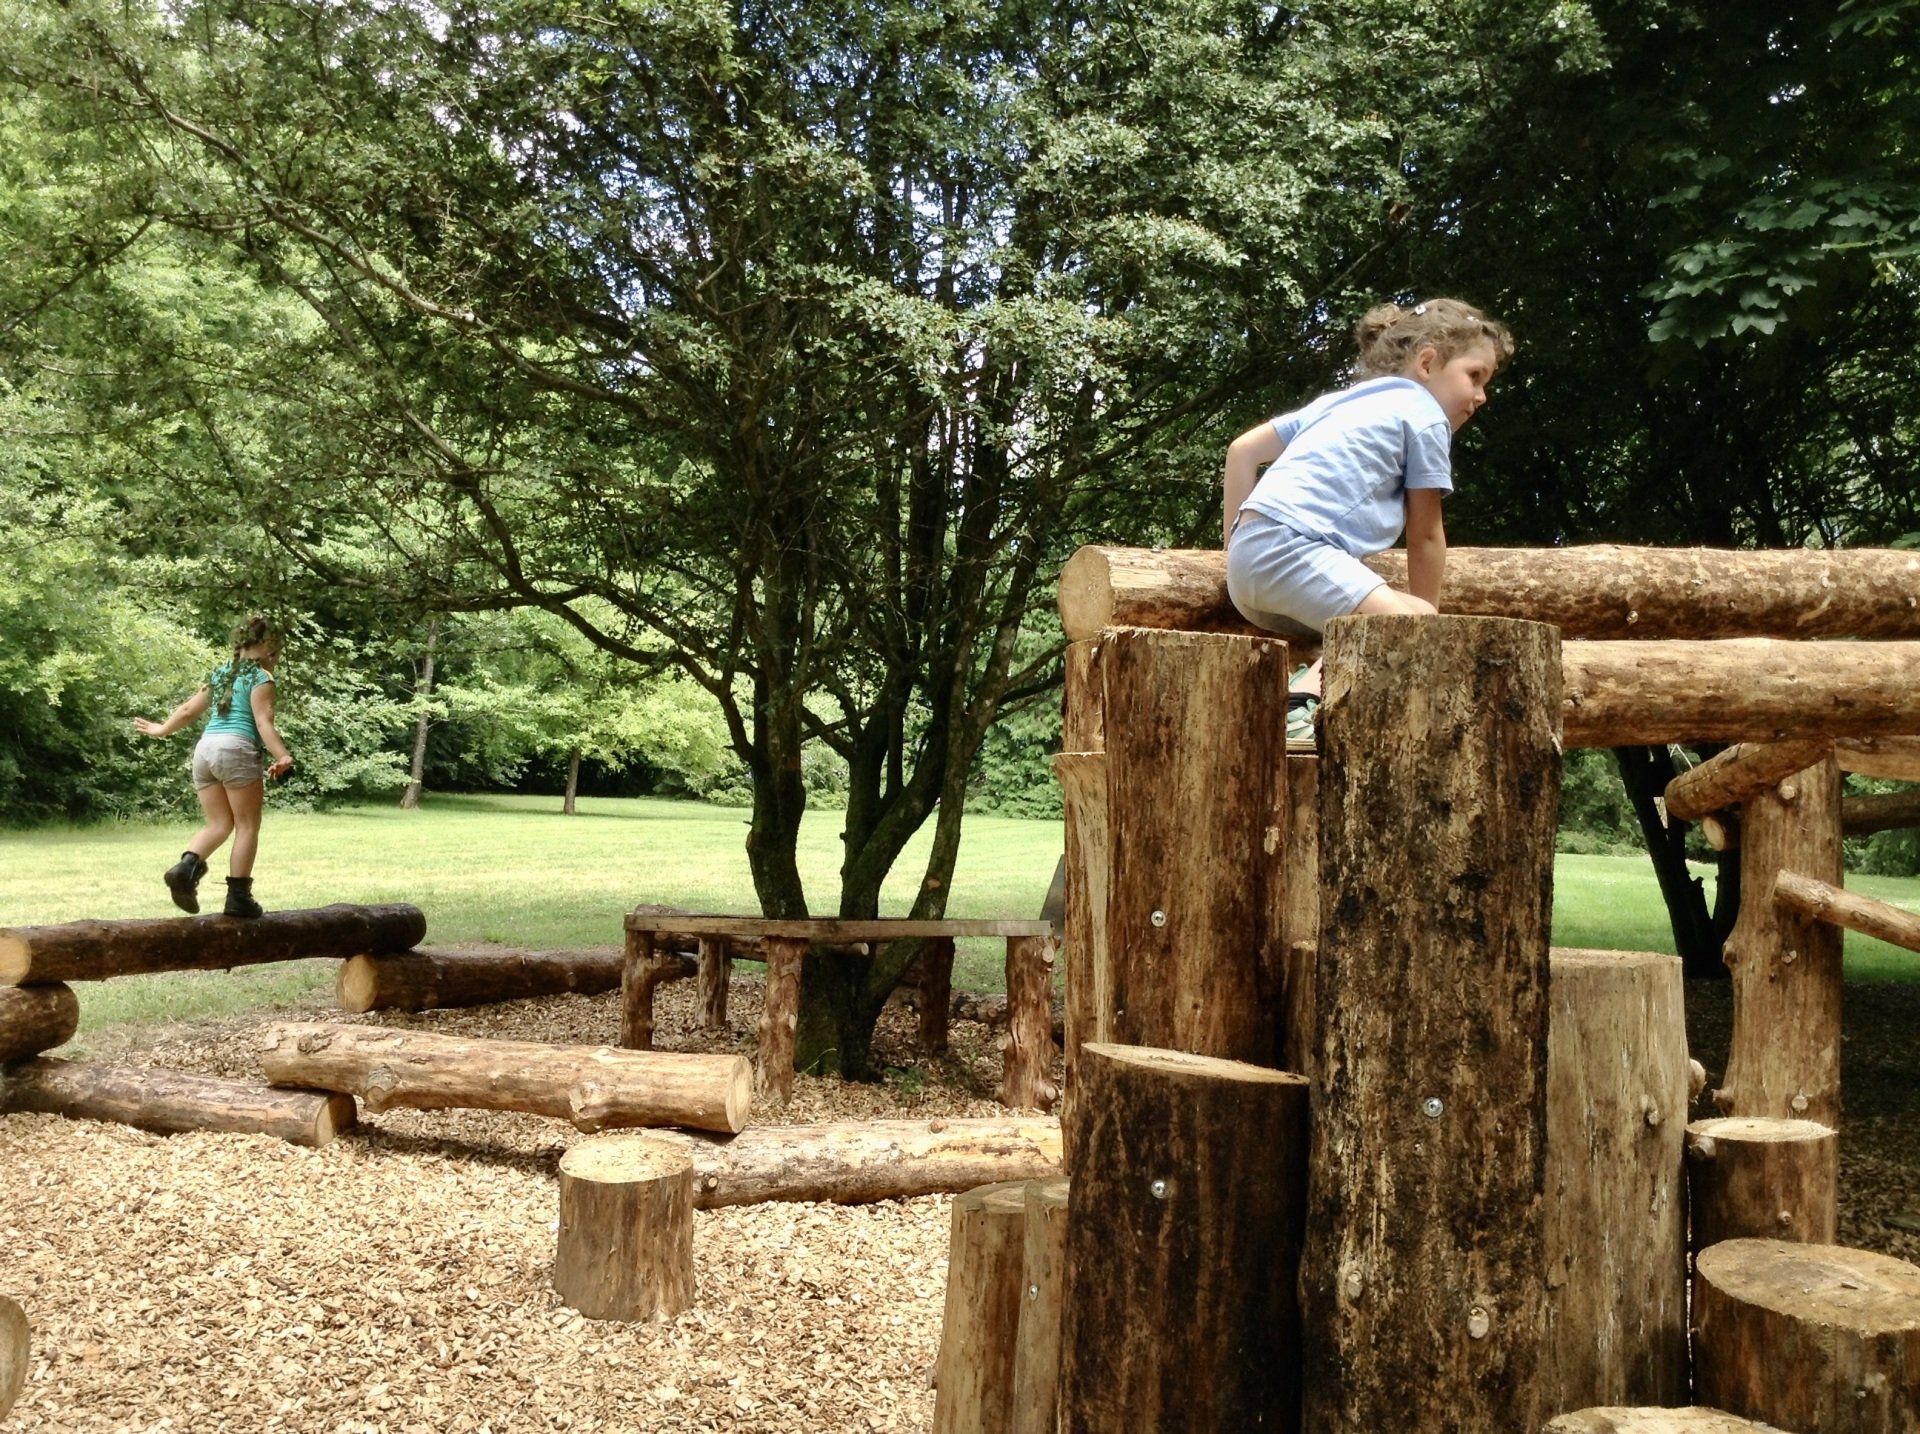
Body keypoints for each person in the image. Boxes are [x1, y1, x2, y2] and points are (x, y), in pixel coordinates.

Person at [1222, 298, 1513, 740]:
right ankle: (1300, 705)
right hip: (1294, 552)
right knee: (1414, 627)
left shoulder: (1343, 401)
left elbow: (1242, 451)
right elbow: (1426, 536)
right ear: (1428, 362)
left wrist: (1231, 554)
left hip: (1250, 573)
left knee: (1387, 629)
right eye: (1474, 376)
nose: (1481, 396)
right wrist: (1422, 623)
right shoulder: (1424, 415)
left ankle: (1304, 704)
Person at [132, 616, 295, 918]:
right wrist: (283, 756)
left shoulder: (222, 673)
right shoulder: (261, 678)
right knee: (247, 825)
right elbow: (262, 722)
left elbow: (188, 710)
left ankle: (185, 869)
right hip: (236, 749)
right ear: (267, 646)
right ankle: (238, 899)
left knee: (219, 824)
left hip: (205, 751)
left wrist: (160, 729)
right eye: (277, 650)